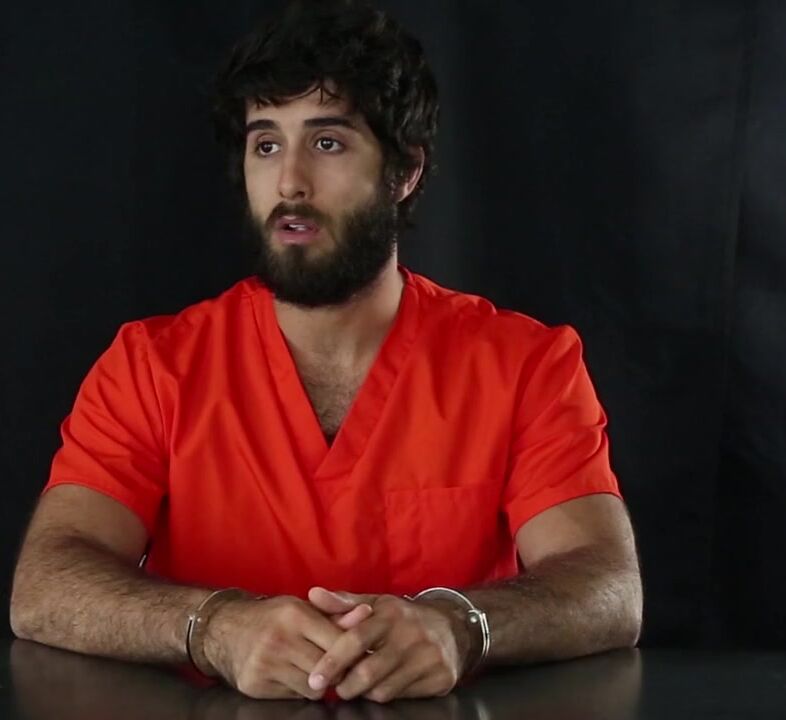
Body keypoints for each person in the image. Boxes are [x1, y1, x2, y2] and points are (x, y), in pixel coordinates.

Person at [9, 0, 643, 704]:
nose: (289, 182)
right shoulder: (150, 366)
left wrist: (461, 625)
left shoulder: (525, 363)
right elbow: (45, 586)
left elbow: (607, 589)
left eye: (329, 142)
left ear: (404, 172)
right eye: (266, 145)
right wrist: (213, 627)